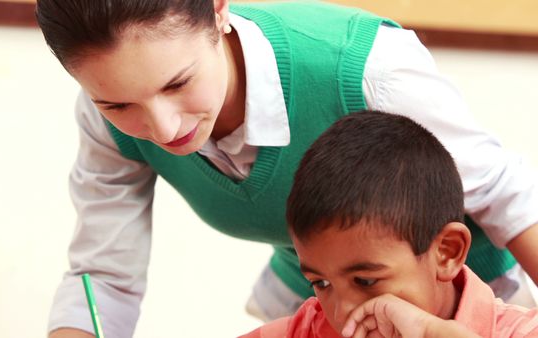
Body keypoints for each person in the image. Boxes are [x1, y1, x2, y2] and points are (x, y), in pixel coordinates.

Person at [34, 1, 538, 337]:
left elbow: (505, 195)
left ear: (216, 12)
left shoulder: (366, 68)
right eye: (117, 104)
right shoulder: (316, 317)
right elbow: (104, 275)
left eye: (177, 83)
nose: (163, 129)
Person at [241, 111, 538, 338]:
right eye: (322, 284)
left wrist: (428, 332)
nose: (341, 312)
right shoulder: (308, 330)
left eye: (366, 281)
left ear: (447, 252)